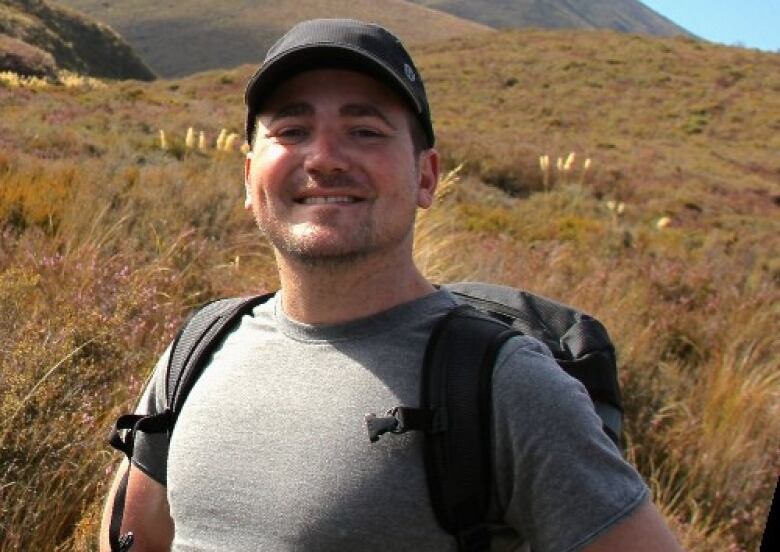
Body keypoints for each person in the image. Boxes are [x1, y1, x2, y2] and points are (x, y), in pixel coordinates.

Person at [99, 18, 683, 552]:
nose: (324, 157)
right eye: (292, 130)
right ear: (249, 177)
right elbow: (137, 539)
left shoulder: (506, 384)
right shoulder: (198, 348)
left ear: (425, 177)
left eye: (365, 131)